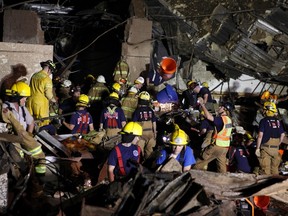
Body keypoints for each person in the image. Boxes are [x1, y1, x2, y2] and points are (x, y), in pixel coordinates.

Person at [1, 83, 46, 198]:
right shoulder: (6, 109)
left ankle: (39, 181)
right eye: (25, 98)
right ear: (18, 97)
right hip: (13, 139)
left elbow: (31, 122)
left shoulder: (23, 108)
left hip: (24, 137)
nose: (26, 100)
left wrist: (29, 135)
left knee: (39, 157)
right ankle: (22, 187)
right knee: (19, 163)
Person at [194, 99, 233, 173]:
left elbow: (209, 117)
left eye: (221, 107)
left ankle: (191, 177)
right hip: (224, 148)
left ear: (224, 109)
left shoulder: (221, 120)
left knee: (199, 164)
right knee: (222, 169)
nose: (219, 107)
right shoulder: (229, 120)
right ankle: (223, 181)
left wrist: (202, 105)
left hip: (216, 146)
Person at [255, 101, 285, 175]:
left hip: (266, 148)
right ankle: (276, 186)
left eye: (264, 109)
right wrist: (278, 143)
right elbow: (283, 134)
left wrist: (257, 148)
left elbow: (260, 136)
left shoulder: (263, 121)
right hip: (276, 149)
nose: (263, 111)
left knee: (265, 171)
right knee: (275, 170)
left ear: (267, 110)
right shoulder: (278, 121)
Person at [26, 60, 57, 128]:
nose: (50, 73)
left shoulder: (35, 75)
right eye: (51, 71)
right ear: (49, 69)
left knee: (30, 121)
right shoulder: (47, 79)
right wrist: (54, 101)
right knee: (42, 122)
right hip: (40, 104)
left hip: (30, 101)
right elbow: (48, 94)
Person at [132, 91, 157, 159]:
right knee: (149, 152)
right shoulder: (151, 110)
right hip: (150, 133)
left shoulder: (137, 111)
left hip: (141, 134)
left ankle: (140, 165)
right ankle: (148, 165)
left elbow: (134, 123)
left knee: (139, 151)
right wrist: (154, 133)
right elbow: (154, 122)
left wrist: (134, 136)